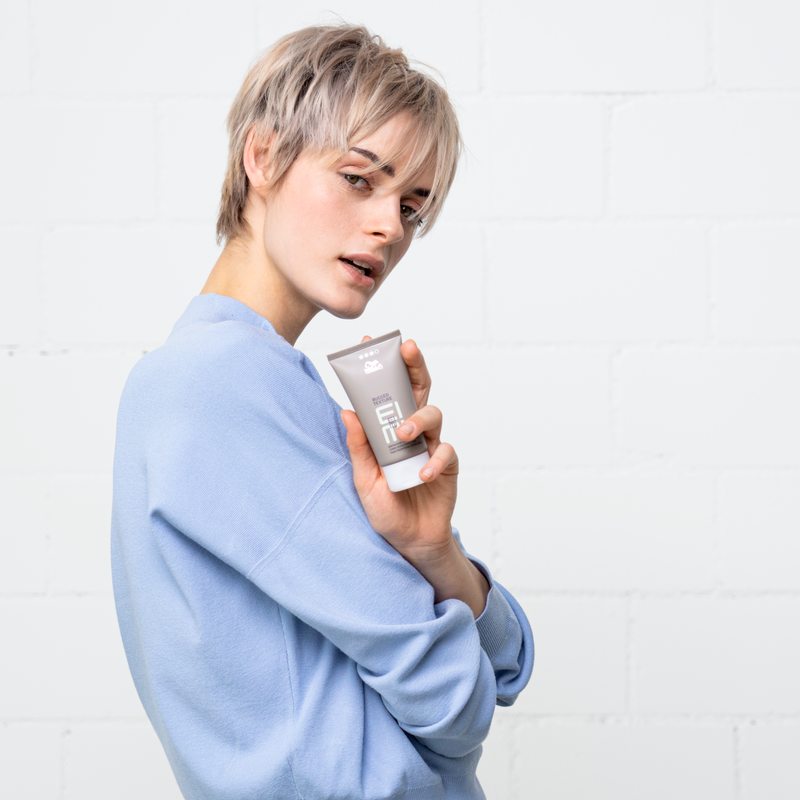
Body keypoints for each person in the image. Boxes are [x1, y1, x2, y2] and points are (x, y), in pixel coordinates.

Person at [110, 22, 534, 800]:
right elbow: (462, 704)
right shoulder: (224, 382)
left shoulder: (259, 383)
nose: (389, 228)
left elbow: (506, 661)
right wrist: (457, 656)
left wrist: (432, 550)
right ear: (263, 155)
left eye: (412, 207)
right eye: (358, 179)